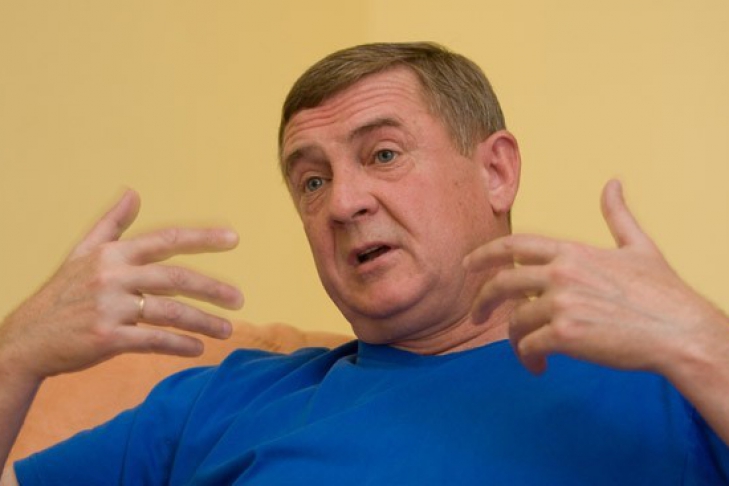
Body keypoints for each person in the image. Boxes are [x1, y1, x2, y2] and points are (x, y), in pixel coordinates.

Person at [1, 42, 728, 485]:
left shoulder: (668, 384)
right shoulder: (213, 404)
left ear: (496, 172)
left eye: (382, 154)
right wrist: (17, 353)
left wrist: (703, 344)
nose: (343, 202)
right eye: (311, 180)